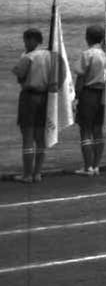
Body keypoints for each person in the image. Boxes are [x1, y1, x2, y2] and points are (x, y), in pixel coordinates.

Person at [13, 27, 51, 183]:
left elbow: (20, 77)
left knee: (28, 136)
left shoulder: (27, 57)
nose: (25, 43)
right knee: (40, 137)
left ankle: (27, 174)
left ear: (32, 40)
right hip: (45, 98)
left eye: (26, 40)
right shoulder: (50, 55)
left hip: (29, 97)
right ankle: (37, 173)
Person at [73, 23, 106, 175]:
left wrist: (76, 96)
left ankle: (88, 167)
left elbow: (80, 78)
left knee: (85, 130)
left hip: (88, 94)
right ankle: (96, 166)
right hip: (102, 95)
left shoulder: (87, 54)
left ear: (87, 38)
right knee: (98, 130)